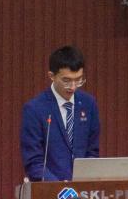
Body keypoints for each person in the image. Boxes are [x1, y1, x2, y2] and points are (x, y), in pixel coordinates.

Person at [20, 45, 101, 181]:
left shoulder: (89, 104)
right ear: (51, 76)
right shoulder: (34, 109)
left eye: (78, 80)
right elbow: (34, 163)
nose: (73, 87)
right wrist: (62, 188)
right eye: (66, 81)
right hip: (51, 188)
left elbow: (92, 152)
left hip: (82, 188)